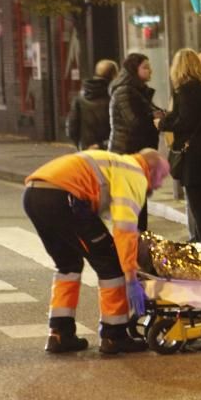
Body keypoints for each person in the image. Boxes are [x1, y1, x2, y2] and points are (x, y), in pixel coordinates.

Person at [23, 148, 170, 355]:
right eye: (161, 177)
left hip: (33, 194)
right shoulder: (135, 175)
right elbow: (124, 230)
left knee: (68, 265)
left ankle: (60, 334)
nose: (160, 184)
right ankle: (114, 335)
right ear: (151, 170)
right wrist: (129, 275)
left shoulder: (117, 164)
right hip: (63, 197)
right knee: (111, 264)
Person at [157, 49, 201, 241]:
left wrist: (162, 124)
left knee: (198, 206)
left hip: (192, 156)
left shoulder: (185, 90)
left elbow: (184, 121)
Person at [109, 52, 163, 232]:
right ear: (134, 69)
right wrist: (153, 117)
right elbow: (134, 122)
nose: (150, 70)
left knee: (139, 202)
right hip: (127, 155)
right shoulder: (124, 91)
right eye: (145, 67)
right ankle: (131, 250)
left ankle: (138, 246)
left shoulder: (138, 92)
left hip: (137, 155)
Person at [66, 59, 118, 150]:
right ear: (114, 75)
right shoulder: (114, 97)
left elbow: (72, 128)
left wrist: (81, 145)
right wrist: (102, 145)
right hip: (110, 150)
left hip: (87, 150)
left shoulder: (80, 97)